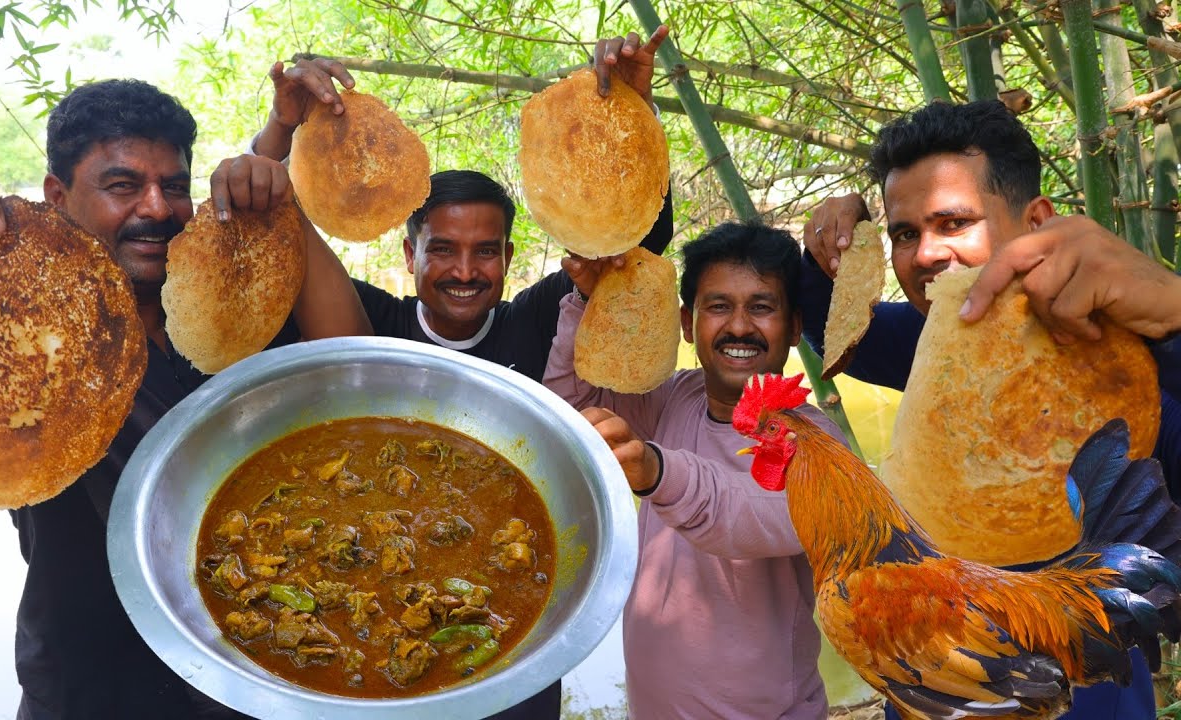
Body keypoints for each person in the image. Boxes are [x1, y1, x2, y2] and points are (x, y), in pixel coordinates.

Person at [0, 78, 370, 720]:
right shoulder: (22, 348)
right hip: (87, 691)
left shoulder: (231, 313)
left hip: (247, 681)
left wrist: (278, 187)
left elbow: (357, 370)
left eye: (174, 186)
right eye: (122, 186)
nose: (156, 207)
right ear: (57, 197)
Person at [800, 99, 1181, 720]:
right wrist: (846, 225)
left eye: (954, 223)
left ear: (1035, 223)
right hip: (934, 688)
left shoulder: (1123, 370)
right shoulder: (929, 350)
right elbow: (830, 325)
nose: (924, 254)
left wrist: (1174, 320)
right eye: (905, 233)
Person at [248, 28, 674, 384]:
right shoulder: (372, 322)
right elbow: (270, 269)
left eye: (486, 251)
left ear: (508, 257)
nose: (466, 271)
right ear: (410, 254)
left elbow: (637, 249)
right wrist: (280, 130)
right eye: (443, 249)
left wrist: (637, 112)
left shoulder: (537, 321)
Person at [545, 221, 845, 719]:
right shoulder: (673, 397)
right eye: (719, 306)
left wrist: (657, 469)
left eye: (763, 307)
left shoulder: (817, 444)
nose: (740, 327)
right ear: (688, 323)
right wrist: (587, 300)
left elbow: (747, 515)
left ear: (794, 326)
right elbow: (571, 407)